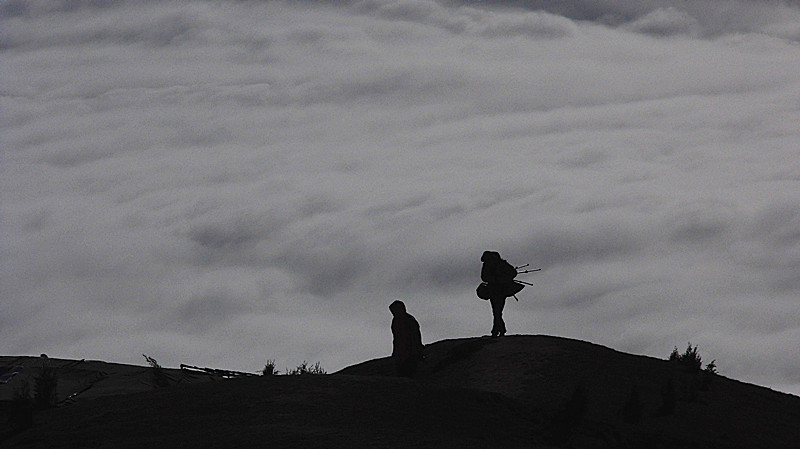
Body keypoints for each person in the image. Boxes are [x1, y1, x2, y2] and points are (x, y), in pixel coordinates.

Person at [480, 251, 522, 337]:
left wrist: (497, 280)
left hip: (496, 290)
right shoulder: (501, 264)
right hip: (501, 290)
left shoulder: (490, 264)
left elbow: (484, 277)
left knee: (496, 311)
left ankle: (497, 330)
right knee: (498, 311)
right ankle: (499, 330)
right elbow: (513, 272)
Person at [389, 300, 424, 378]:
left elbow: (415, 336)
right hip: (401, 351)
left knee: (409, 370)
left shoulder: (409, 320)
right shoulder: (396, 321)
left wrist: (417, 349)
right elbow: (396, 338)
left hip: (410, 351)